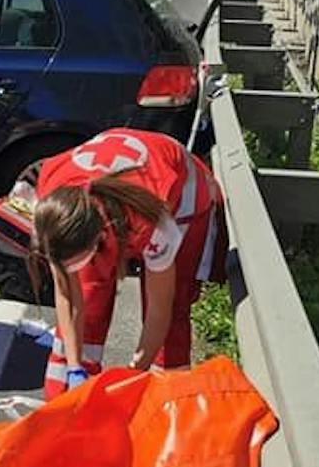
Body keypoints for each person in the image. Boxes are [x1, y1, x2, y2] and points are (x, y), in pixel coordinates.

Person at [28, 128, 224, 398]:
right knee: (89, 293)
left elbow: (159, 311)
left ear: (100, 238)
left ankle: (164, 404)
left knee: (173, 310)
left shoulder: (156, 224)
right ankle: (65, 403)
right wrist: (74, 366)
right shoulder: (53, 211)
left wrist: (133, 374)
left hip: (185, 200)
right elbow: (68, 298)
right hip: (112, 197)